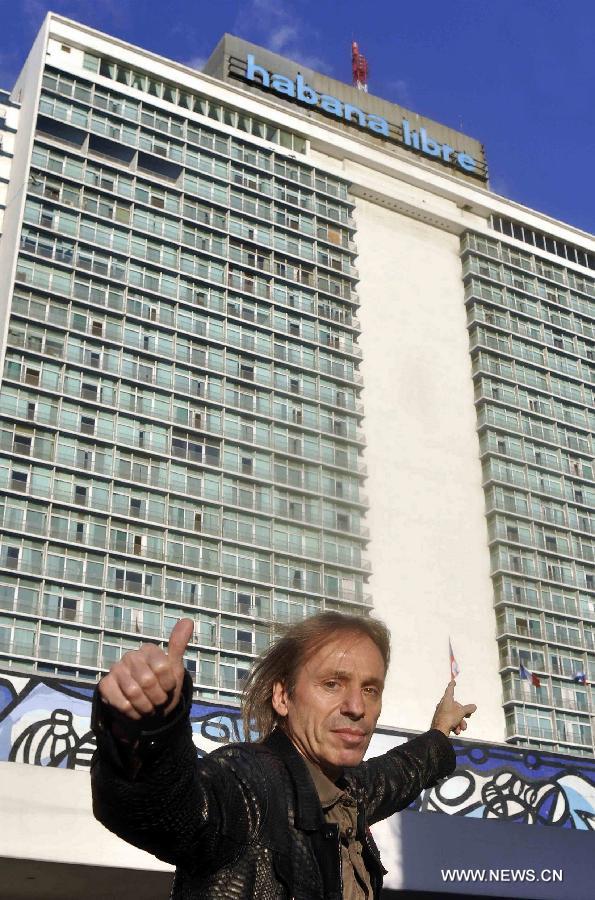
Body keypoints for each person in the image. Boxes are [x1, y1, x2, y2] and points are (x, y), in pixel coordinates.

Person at [92, 611, 476, 898]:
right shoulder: (249, 782)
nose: (356, 706)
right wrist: (146, 729)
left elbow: (400, 771)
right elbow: (167, 808)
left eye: (371, 689)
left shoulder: (349, 793)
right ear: (283, 697)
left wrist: (440, 731)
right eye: (332, 684)